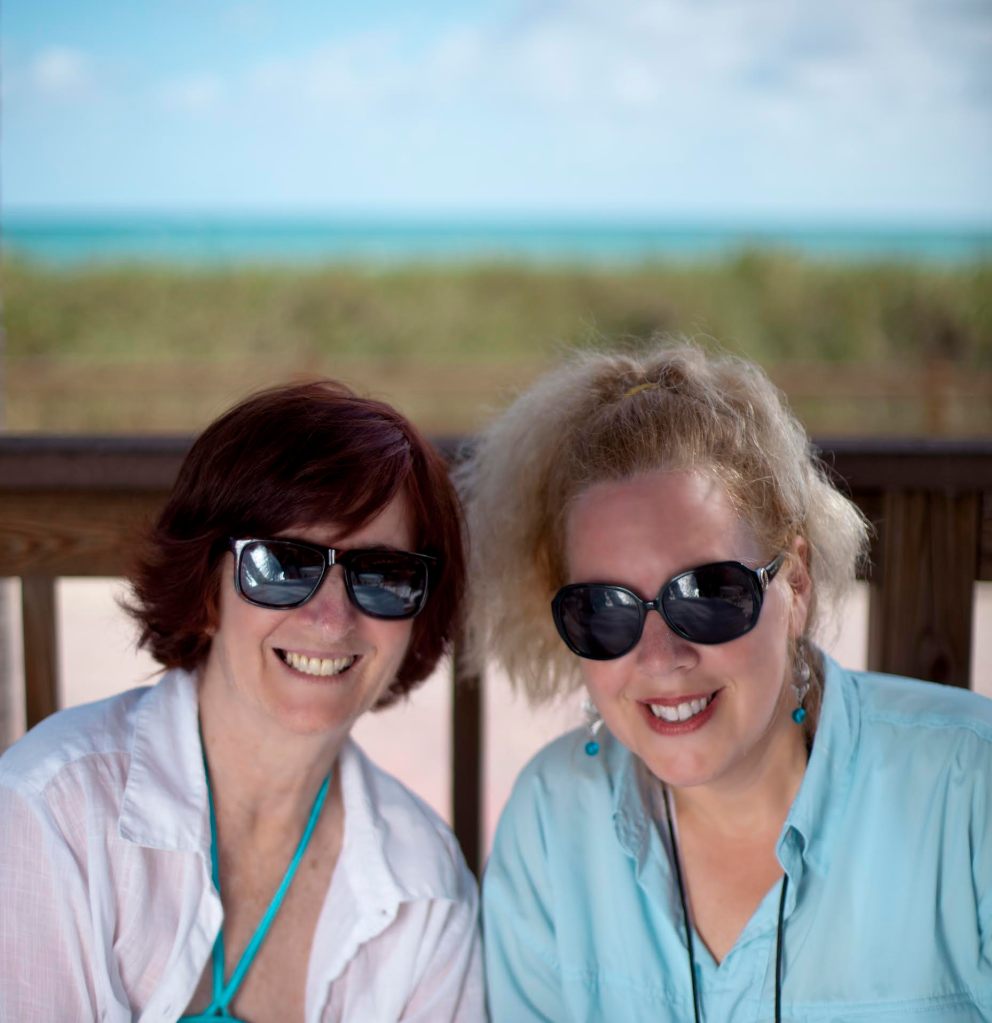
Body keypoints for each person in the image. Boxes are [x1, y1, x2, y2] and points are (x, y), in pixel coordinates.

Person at [459, 342, 992, 1022]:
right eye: (606, 608)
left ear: (794, 586)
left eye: (707, 593)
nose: (660, 656)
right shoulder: (552, 823)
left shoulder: (970, 792)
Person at [0, 381, 484, 1022]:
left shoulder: (428, 888)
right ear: (206, 590)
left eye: (382, 575)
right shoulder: (53, 812)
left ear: (419, 617)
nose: (332, 619)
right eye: (282, 566)